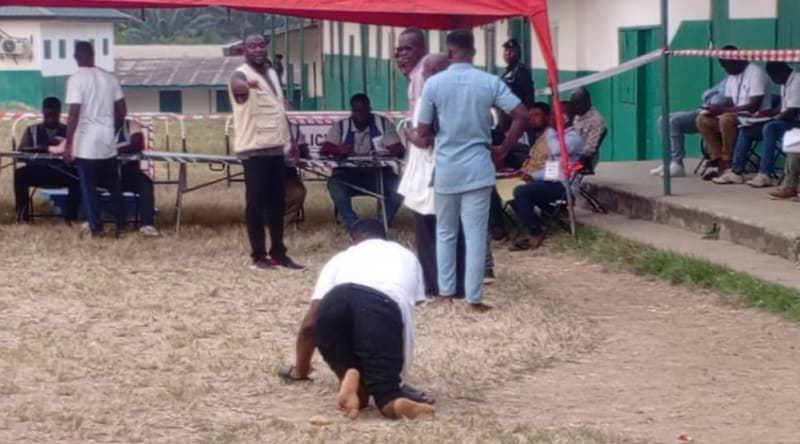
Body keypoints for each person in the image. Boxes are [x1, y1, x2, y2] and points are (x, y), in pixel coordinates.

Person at [416, 29, 529, 311]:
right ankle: (474, 298)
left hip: (447, 167)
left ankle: (444, 293)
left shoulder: (434, 84)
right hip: (479, 166)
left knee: (445, 231)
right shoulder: (489, 82)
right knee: (477, 234)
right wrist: (503, 149)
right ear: (474, 51)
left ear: (449, 52)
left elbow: (423, 130)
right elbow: (522, 115)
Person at [279, 219, 435, 420]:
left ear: (351, 240)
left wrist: (300, 371)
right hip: (381, 304)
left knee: (360, 399)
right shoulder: (406, 255)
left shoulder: (340, 258)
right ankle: (393, 402)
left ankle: (351, 375)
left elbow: (310, 324)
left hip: (334, 301)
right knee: (387, 399)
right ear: (385, 238)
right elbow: (409, 307)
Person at [229, 33, 303, 270]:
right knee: (256, 204)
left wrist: (291, 141)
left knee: (277, 203)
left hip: (276, 147)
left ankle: (279, 253)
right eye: (253, 46)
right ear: (244, 49)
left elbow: (280, 109)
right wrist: (245, 87)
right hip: (254, 149)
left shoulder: (271, 73)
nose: (258, 49)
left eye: (261, 45)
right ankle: (258, 256)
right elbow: (238, 88)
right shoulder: (240, 74)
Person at [64, 41, 127, 238]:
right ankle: (121, 224)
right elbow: (122, 110)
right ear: (93, 54)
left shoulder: (76, 79)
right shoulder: (109, 78)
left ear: (76, 57)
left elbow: (74, 113)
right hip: (107, 139)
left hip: (86, 142)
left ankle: (96, 227)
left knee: (89, 187)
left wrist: (68, 143)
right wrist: (112, 128)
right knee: (114, 185)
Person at [320, 93, 405, 228]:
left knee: (399, 188)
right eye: (356, 110)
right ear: (352, 111)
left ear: (370, 109)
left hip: (379, 174)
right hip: (348, 175)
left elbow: (399, 149)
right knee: (334, 184)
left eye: (364, 110)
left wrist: (388, 150)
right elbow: (325, 150)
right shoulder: (341, 126)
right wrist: (339, 150)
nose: (360, 114)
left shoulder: (383, 124)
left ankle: (380, 225)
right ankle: (355, 226)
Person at [510, 104, 584, 251]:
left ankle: (535, 231)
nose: (550, 119)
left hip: (564, 186)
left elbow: (557, 150)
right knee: (513, 192)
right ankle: (538, 223)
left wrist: (550, 130)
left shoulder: (573, 138)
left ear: (563, 118)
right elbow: (552, 169)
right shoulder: (558, 137)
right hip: (553, 180)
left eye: (552, 116)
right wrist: (532, 175)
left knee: (521, 192)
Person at [715, 61, 800, 187]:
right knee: (747, 129)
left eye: (772, 77)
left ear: (779, 74)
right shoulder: (785, 82)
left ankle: (765, 173)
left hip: (795, 122)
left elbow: (791, 112)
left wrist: (771, 118)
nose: (772, 81)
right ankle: (736, 171)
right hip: (785, 120)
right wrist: (764, 114)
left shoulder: (797, 82)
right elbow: (782, 107)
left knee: (770, 128)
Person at [697, 45, 771, 177]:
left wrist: (723, 110)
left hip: (755, 118)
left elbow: (753, 106)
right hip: (735, 117)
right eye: (723, 66)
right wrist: (714, 110)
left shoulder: (755, 73)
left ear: (737, 60)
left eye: (727, 65)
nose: (726, 69)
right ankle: (716, 160)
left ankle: (727, 162)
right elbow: (729, 102)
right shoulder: (732, 76)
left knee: (727, 118)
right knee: (703, 119)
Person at [15, 97, 81, 223]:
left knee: (78, 177)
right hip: (38, 170)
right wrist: (43, 148)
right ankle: (22, 216)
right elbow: (22, 151)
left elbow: (76, 152)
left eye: (54, 114)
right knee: (19, 175)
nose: (51, 117)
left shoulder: (68, 131)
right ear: (43, 112)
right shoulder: (31, 131)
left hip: (62, 171)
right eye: (48, 114)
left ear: (59, 113)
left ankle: (71, 218)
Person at [650, 79, 727, 177]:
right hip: (702, 110)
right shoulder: (728, 79)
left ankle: (677, 163)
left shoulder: (740, 80)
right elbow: (705, 94)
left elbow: (718, 100)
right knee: (663, 119)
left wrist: (711, 96)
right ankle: (669, 162)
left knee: (674, 122)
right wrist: (710, 95)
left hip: (713, 116)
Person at [114, 118, 160, 237]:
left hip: (128, 171)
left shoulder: (132, 125)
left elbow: (137, 144)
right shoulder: (100, 126)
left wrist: (114, 150)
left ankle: (147, 224)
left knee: (146, 183)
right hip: (107, 171)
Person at [395, 27, 428, 111]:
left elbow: (420, 115)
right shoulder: (417, 73)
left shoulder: (420, 76)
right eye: (400, 49)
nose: (403, 53)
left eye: (408, 48)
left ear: (422, 50)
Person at [569, 87, 606, 157]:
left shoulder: (596, 120)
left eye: (577, 105)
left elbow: (589, 149)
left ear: (587, 102)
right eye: (572, 105)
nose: (574, 108)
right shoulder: (575, 115)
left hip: (582, 157)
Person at [501, 38, 535, 109]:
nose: (507, 53)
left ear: (518, 54)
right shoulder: (507, 72)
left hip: (517, 111)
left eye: (511, 51)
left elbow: (529, 95)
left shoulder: (521, 71)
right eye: (506, 50)